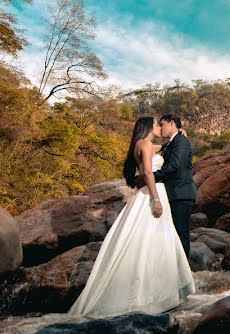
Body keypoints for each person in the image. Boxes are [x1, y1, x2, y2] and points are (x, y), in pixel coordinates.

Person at [68, 116, 195, 318]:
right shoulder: (144, 144)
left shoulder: (145, 144)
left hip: (156, 192)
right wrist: (155, 199)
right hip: (153, 194)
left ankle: (159, 285)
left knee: (156, 239)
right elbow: (148, 172)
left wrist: (177, 136)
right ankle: (153, 290)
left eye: (161, 124)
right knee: (152, 240)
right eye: (156, 124)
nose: (158, 127)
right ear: (147, 127)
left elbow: (162, 150)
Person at [136, 114, 197, 258]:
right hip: (172, 193)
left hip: (181, 193)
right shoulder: (171, 143)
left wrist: (149, 177)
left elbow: (174, 166)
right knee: (172, 234)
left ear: (171, 123)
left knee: (180, 233)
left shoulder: (181, 141)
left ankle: (183, 272)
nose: (160, 128)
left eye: (162, 124)